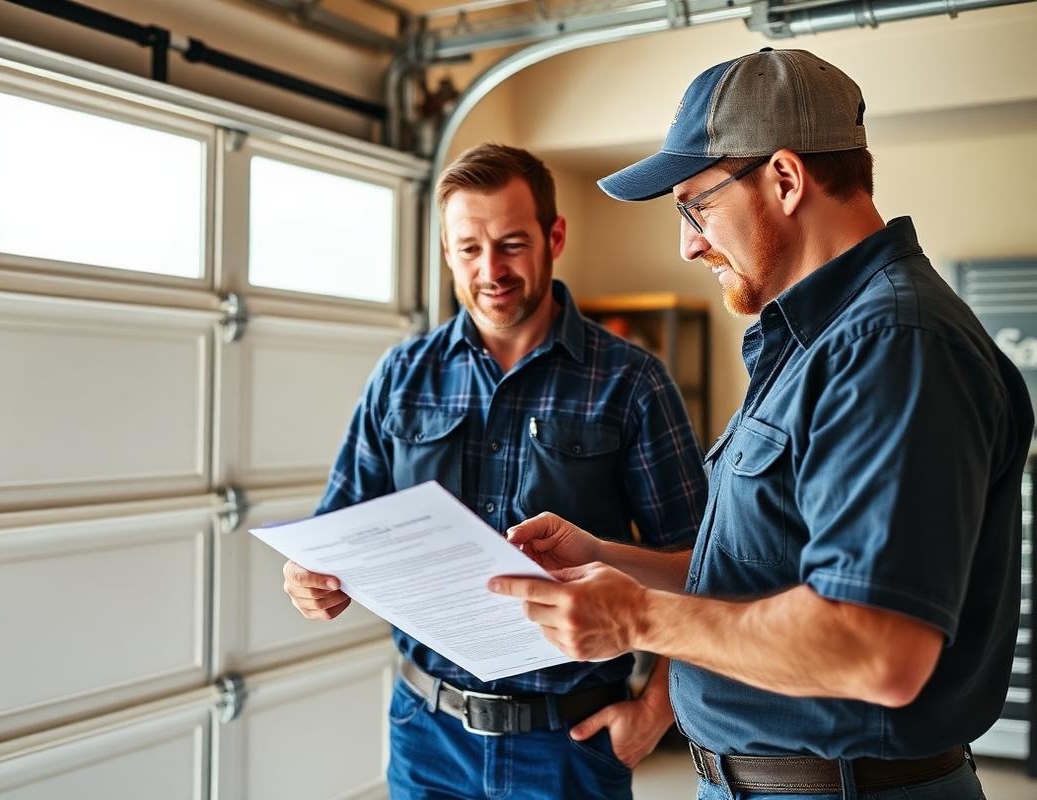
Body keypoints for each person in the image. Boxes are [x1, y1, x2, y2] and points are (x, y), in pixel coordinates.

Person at [489, 48, 1033, 800]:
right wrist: (612, 561)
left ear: (785, 179)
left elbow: (879, 649)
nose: (688, 243)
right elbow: (769, 567)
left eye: (696, 205)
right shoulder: (814, 342)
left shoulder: (893, 345)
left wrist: (638, 618)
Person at [282, 143, 708, 799]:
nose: (491, 270)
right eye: (469, 248)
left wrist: (653, 713)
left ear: (553, 237)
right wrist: (309, 579)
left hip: (569, 746)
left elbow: (702, 568)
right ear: (447, 251)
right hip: (428, 740)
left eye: (511, 245)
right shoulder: (401, 376)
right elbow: (336, 532)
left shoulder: (632, 383)